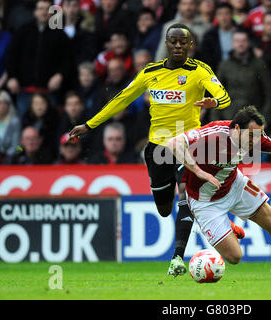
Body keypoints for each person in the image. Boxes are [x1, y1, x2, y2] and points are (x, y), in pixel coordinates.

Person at [69, 23, 232, 277]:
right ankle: (206, 220)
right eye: (173, 42)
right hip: (157, 148)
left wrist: (215, 101)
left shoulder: (200, 71)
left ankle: (177, 258)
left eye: (183, 42)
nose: (178, 46)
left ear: (190, 45)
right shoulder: (149, 72)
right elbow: (122, 98)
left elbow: (225, 97)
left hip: (189, 143)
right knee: (165, 208)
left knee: (185, 198)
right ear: (167, 44)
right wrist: (89, 125)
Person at [166, 106, 271, 280]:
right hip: (204, 201)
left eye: (258, 135)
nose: (255, 141)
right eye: (251, 136)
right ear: (238, 129)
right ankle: (229, 227)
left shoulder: (256, 137)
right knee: (235, 257)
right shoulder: (214, 133)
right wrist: (198, 171)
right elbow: (173, 143)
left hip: (235, 186)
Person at [5, 0, 72, 117]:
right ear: (35, 12)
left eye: (47, 9)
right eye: (40, 9)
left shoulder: (60, 35)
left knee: (50, 126)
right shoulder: (23, 31)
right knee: (25, 127)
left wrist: (60, 75)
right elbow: (11, 55)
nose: (44, 12)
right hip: (24, 91)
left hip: (48, 92)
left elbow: (68, 60)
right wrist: (12, 77)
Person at [215, 29, 271, 120]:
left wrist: (265, 117)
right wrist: (215, 121)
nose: (240, 44)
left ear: (249, 43)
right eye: (237, 41)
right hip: (229, 117)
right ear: (232, 44)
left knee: (253, 135)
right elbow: (216, 93)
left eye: (244, 41)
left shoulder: (259, 64)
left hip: (254, 118)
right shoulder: (224, 65)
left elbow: (269, 92)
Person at [199, 2, 236, 73]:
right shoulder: (209, 36)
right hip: (217, 73)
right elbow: (206, 58)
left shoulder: (241, 32)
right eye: (220, 14)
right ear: (216, 16)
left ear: (232, 15)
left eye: (227, 13)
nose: (223, 17)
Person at [0, 90, 20, 157]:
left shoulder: (15, 122)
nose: (2, 106)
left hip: (9, 158)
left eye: (5, 103)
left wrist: (5, 157)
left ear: (9, 105)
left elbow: (17, 146)